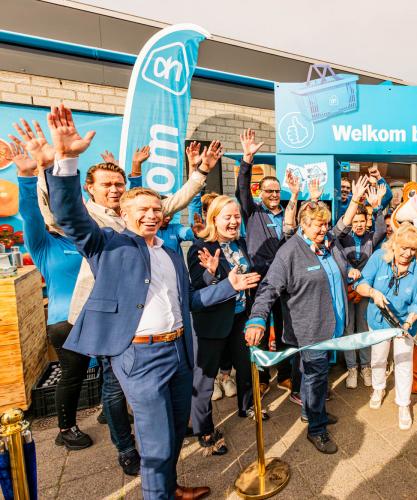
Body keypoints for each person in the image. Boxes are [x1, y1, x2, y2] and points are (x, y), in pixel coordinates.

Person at [45, 104, 261, 499]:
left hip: (178, 350)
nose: (150, 215)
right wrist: (66, 159)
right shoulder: (108, 244)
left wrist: (228, 285)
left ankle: (169, 486)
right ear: (123, 213)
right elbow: (71, 217)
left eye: (156, 210)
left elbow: (191, 301)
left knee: (177, 431)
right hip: (140, 358)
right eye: (141, 210)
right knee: (157, 443)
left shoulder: (170, 252)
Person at [244, 201, 358, 454]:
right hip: (310, 329)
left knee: (313, 375)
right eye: (319, 225)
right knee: (316, 377)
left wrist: (349, 272)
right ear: (303, 225)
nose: (324, 229)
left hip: (332, 325)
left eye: (326, 224)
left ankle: (310, 412)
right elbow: (269, 288)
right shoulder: (289, 252)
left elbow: (338, 267)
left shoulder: (327, 244)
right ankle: (316, 429)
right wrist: (257, 318)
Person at [9, 127, 89, 449]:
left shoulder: (85, 237)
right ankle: (65, 429)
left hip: (96, 316)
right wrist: (28, 176)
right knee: (73, 373)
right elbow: (30, 215)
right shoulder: (45, 244)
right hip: (64, 321)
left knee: (104, 372)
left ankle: (106, 414)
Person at [188, 195, 261, 456]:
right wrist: (211, 273)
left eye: (236, 217)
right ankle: (204, 429)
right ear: (214, 219)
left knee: (245, 364)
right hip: (212, 323)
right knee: (205, 379)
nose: (233, 222)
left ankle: (246, 406)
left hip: (240, 316)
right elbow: (196, 293)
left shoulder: (240, 243)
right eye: (227, 217)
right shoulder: (201, 247)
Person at [237, 129, 300, 397]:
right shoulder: (252, 212)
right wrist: (247, 161)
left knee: (285, 329)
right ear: (259, 192)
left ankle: (285, 374)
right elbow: (241, 187)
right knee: (258, 326)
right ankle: (260, 377)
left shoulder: (288, 211)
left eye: (277, 190)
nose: (274, 194)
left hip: (284, 281)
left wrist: (295, 195)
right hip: (259, 281)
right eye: (269, 191)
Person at [354, 223, 417, 429]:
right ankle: (378, 388)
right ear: (394, 244)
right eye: (404, 247)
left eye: (413, 249)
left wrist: (409, 321)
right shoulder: (379, 258)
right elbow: (360, 284)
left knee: (403, 362)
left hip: (404, 323)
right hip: (378, 320)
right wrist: (373, 293)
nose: (407, 253)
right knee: (378, 356)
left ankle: (403, 404)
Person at [333, 176, 388, 389]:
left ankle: (365, 366)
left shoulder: (370, 238)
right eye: (354, 221)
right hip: (346, 290)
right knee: (348, 329)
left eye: (361, 221)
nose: (358, 225)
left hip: (364, 291)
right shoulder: (341, 239)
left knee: (364, 328)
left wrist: (379, 207)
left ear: (366, 222)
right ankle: (351, 369)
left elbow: (382, 230)